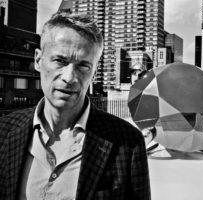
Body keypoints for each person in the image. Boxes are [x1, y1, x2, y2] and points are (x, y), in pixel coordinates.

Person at [0, 13, 150, 200]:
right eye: (60, 61)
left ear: (94, 72)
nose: (69, 77)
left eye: (83, 66)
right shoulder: (4, 130)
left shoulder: (128, 143)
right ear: (38, 60)